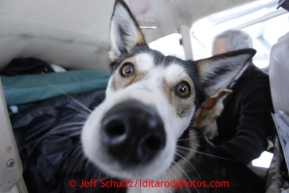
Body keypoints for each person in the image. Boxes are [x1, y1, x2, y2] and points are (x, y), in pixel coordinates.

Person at [210, 30, 274, 165]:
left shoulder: (258, 87)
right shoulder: (228, 82)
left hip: (228, 164)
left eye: (218, 57)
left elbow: (250, 144)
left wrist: (206, 160)